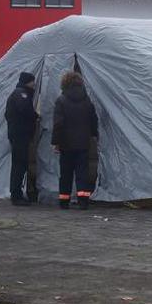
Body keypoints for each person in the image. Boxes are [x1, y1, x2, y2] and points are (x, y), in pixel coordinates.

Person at [51, 69, 98, 209]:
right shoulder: (87, 100)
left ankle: (64, 200)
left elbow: (58, 124)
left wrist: (55, 142)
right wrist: (94, 134)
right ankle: (83, 200)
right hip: (83, 142)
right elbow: (93, 119)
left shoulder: (61, 100)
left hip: (66, 143)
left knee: (66, 173)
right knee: (82, 172)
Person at [5, 71, 39, 204]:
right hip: (20, 135)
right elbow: (25, 110)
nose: (34, 84)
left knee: (19, 163)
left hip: (17, 133)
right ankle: (16, 195)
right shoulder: (22, 94)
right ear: (27, 82)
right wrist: (35, 116)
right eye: (32, 81)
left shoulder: (17, 93)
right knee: (19, 164)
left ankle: (17, 193)